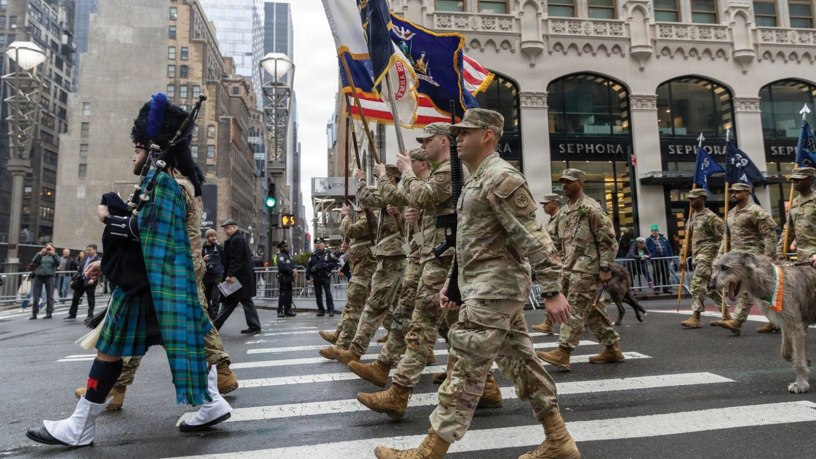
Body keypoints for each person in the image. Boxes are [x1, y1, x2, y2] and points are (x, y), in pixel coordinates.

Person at [373, 108, 579, 459]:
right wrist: (454, 286)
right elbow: (467, 242)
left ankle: (429, 451)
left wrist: (553, 289)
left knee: (465, 366)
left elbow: (533, 236)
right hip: (484, 288)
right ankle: (559, 440)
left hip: (494, 291)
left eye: (465, 132)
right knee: (521, 363)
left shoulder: (501, 177)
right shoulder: (475, 179)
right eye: (456, 133)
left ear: (488, 135)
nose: (457, 138)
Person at [26, 94, 229, 448]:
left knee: (112, 348)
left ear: (152, 148)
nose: (132, 155)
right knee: (186, 341)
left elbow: (150, 232)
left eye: (137, 147)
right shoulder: (160, 181)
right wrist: (107, 259)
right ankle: (211, 401)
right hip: (156, 284)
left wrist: (112, 218)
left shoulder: (166, 184)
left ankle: (80, 426)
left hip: (151, 285)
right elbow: (147, 236)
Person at [356, 122, 503, 419]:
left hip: (444, 260)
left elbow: (420, 196)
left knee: (422, 325)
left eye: (428, 140)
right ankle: (485, 385)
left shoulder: (451, 170)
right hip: (438, 259)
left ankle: (398, 390)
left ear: (443, 143)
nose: (423, 146)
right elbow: (406, 199)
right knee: (450, 325)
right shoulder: (444, 172)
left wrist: (402, 173)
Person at [348, 147, 430, 387]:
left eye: (411, 163)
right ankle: (386, 366)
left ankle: (360, 352)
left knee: (389, 306)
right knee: (409, 311)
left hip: (405, 255)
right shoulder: (406, 192)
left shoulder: (409, 191)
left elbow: (372, 199)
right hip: (413, 256)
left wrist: (361, 181)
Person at [538, 168, 625, 372]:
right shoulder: (565, 211)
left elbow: (608, 240)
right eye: (563, 182)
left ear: (580, 183)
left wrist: (605, 268)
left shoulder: (591, 208)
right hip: (569, 267)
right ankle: (612, 347)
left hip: (588, 268)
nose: (564, 185)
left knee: (575, 308)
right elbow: (559, 241)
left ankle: (563, 351)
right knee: (593, 310)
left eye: (569, 181)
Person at [320, 164, 407, 362]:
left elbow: (353, 228)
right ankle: (346, 341)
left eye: (381, 179)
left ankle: (348, 346)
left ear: (391, 180)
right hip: (380, 259)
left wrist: (359, 181)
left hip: (384, 259)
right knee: (389, 307)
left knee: (371, 304)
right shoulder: (387, 202)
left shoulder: (393, 198)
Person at [713, 182, 777, 335]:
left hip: (753, 259)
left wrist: (768, 257)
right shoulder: (731, 213)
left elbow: (769, 235)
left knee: (747, 289)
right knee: (763, 291)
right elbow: (726, 237)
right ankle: (774, 321)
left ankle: (737, 321)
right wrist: (721, 256)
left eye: (737, 192)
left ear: (747, 193)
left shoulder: (756, 212)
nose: (733, 194)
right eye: (732, 192)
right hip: (736, 259)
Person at [319, 204, 377, 347]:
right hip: (360, 267)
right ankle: (339, 335)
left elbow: (351, 230)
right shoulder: (364, 219)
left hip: (366, 269)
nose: (357, 214)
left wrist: (345, 216)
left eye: (359, 212)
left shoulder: (370, 217)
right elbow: (356, 239)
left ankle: (342, 344)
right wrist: (349, 246)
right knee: (353, 304)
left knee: (357, 305)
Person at [772, 167, 816, 332]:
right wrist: (779, 252)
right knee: (806, 298)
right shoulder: (795, 202)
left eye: (799, 179)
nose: (794, 182)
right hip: (803, 260)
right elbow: (788, 230)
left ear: (810, 180)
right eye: (793, 180)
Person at [680, 189, 725, 329]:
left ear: (702, 199)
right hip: (696, 255)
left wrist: (719, 256)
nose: (691, 202)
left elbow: (723, 237)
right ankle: (727, 313)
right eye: (689, 199)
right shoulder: (692, 218)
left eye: (694, 199)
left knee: (697, 283)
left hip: (708, 256)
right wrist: (682, 256)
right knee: (710, 288)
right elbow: (687, 240)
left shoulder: (711, 217)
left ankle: (696, 316)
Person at [212, 219, 262, 334]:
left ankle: (215, 327)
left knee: (231, 302)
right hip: (240, 278)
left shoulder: (237, 240)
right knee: (236, 301)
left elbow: (236, 259)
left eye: (227, 228)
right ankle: (254, 325)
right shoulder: (236, 239)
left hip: (238, 278)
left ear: (234, 227)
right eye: (225, 229)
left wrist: (230, 275)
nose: (225, 231)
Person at [531, 193, 562, 334]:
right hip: (556, 261)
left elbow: (566, 241)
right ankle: (548, 323)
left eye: (546, 203)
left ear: (555, 203)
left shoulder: (561, 218)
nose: (543, 206)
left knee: (559, 294)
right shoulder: (552, 220)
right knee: (553, 292)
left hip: (562, 263)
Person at [65, 244, 100, 323]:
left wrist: (93, 280)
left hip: (90, 282)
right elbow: (80, 269)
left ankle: (90, 316)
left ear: (95, 250)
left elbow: (99, 272)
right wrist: (73, 278)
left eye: (89, 249)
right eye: (87, 249)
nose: (87, 251)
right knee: (75, 298)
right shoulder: (86, 258)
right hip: (81, 281)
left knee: (90, 299)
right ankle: (72, 314)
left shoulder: (98, 259)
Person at [306, 237, 339, 317]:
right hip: (316, 277)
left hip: (325, 276)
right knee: (318, 294)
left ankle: (331, 310)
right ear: (315, 245)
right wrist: (308, 278)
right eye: (317, 243)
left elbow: (335, 262)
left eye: (320, 243)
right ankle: (321, 310)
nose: (319, 245)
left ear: (323, 244)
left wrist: (327, 266)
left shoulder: (328, 253)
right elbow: (308, 266)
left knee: (328, 293)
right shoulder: (313, 255)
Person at [29, 243, 61, 319]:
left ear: (53, 249)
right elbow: (34, 261)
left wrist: (53, 254)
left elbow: (58, 263)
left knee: (50, 295)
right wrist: (40, 254)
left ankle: (49, 313)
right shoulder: (40, 254)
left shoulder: (54, 255)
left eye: (50, 248)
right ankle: (34, 313)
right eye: (47, 248)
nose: (48, 250)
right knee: (36, 296)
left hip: (49, 276)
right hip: (39, 276)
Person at [202, 229, 224, 320]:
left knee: (215, 299)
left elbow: (224, 259)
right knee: (206, 299)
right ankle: (210, 316)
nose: (214, 238)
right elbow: (197, 260)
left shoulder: (219, 247)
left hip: (217, 276)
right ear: (207, 237)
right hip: (206, 277)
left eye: (215, 236)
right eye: (211, 236)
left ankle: (215, 318)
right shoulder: (202, 248)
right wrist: (203, 258)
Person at [646, 224, 675, 293]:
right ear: (651, 232)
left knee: (666, 274)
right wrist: (650, 257)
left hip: (664, 259)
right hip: (655, 260)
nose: (654, 232)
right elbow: (646, 250)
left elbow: (669, 247)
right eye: (653, 231)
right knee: (656, 274)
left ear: (658, 231)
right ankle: (657, 289)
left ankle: (666, 288)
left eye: (655, 230)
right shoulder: (648, 240)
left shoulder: (663, 238)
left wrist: (670, 257)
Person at [275, 240, 297, 318]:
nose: (288, 247)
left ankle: (288, 310)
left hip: (289, 278)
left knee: (289, 295)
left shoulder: (288, 255)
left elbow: (292, 264)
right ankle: (280, 310)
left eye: (288, 246)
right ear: (282, 247)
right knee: (283, 295)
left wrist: (295, 269)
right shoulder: (280, 255)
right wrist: (292, 271)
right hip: (283, 277)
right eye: (286, 246)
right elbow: (282, 266)